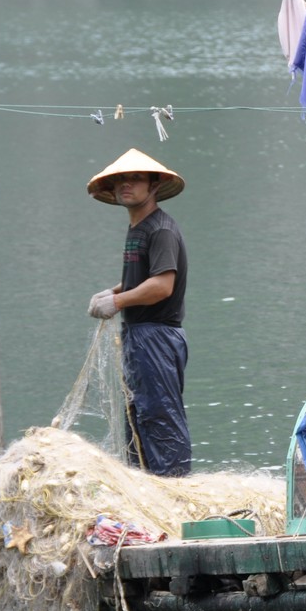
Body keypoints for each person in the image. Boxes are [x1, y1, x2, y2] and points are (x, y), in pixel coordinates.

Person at [85, 149, 191, 476]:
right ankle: (146, 492)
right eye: (119, 181)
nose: (125, 185)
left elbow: (162, 285)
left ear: (154, 185)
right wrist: (115, 291)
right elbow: (144, 276)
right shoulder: (139, 228)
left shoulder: (160, 229)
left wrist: (116, 304)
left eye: (134, 179)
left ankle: (173, 492)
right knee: (138, 419)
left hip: (157, 336)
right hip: (138, 336)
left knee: (159, 417)